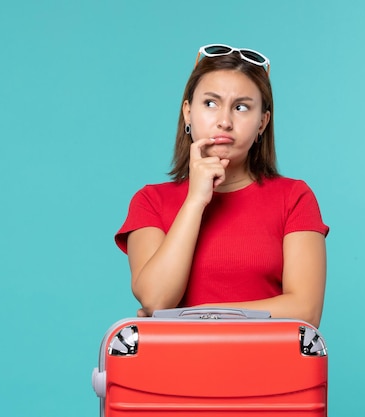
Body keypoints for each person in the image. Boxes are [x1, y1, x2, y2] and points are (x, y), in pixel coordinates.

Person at [115, 44, 329, 327]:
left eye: (241, 107)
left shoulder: (294, 197)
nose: (225, 121)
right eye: (210, 103)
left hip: (270, 368)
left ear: (262, 123)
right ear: (188, 113)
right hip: (174, 368)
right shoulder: (151, 201)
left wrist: (193, 315)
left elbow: (305, 311)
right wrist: (194, 201)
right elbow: (156, 300)